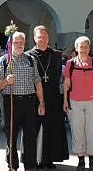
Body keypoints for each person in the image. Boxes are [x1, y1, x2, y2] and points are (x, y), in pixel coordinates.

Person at [0, 32, 46, 171]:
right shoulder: (4, 60)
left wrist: (41, 102)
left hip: (29, 102)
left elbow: (38, 82)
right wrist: (6, 81)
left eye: (21, 42)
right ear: (10, 44)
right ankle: (12, 164)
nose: (19, 45)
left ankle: (30, 164)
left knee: (30, 135)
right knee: (11, 134)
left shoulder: (30, 60)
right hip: (11, 101)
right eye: (16, 42)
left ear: (25, 43)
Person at [26, 25, 69, 168]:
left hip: (53, 98)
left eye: (44, 36)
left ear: (48, 38)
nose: (42, 39)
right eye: (39, 37)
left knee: (52, 128)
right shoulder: (29, 56)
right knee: (36, 129)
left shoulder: (56, 54)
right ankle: (36, 158)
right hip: (35, 98)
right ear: (34, 38)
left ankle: (49, 158)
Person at [63, 36, 93, 171]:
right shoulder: (70, 63)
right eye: (81, 47)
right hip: (74, 102)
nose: (83, 49)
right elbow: (66, 84)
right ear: (76, 48)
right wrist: (65, 100)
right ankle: (81, 160)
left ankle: (92, 161)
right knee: (77, 131)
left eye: (86, 46)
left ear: (89, 48)